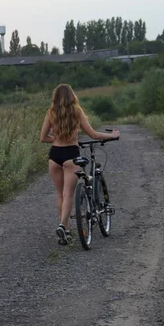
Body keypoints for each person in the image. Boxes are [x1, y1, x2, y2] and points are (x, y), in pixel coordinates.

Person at [39, 84, 119, 245]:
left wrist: (56, 139)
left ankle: (66, 230)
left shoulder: (51, 113)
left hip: (54, 156)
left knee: (60, 194)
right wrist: (112, 135)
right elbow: (94, 135)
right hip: (71, 155)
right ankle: (62, 224)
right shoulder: (77, 111)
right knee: (69, 194)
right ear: (72, 96)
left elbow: (42, 138)